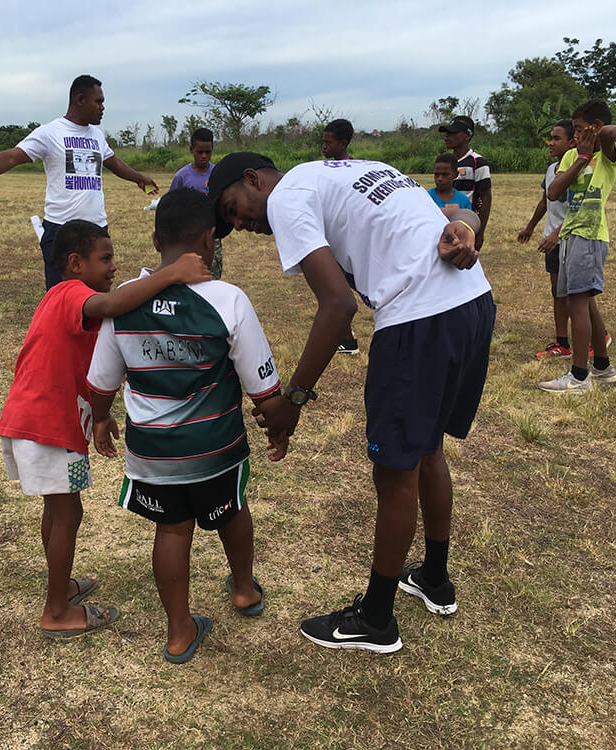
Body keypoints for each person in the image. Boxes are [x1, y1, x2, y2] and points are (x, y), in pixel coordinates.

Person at [209, 152, 493, 653]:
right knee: (427, 451)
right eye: (231, 223)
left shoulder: (288, 197)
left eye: (234, 207)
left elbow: (337, 304)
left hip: (420, 319)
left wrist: (291, 402)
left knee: (395, 472)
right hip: (472, 302)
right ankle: (434, 577)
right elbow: (448, 218)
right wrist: (468, 225)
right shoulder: (349, 171)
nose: (242, 223)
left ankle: (377, 618)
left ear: (253, 180)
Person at [87, 189, 284, 663]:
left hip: (153, 453)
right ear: (210, 238)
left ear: (155, 240)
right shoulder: (228, 299)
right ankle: (243, 591)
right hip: (217, 448)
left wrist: (99, 418)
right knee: (233, 512)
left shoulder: (121, 305)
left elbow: (101, 382)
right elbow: (264, 388)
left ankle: (179, 633)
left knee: (172, 531)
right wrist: (279, 427)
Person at [0, 219, 210, 638]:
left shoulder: (63, 297)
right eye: (106, 259)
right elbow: (112, 306)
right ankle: (56, 612)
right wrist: (171, 273)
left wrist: (101, 414)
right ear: (75, 263)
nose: (114, 267)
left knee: (59, 511)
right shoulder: (73, 294)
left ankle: (61, 586)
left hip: (38, 422)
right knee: (67, 513)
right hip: (49, 427)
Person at [0, 75, 160, 289]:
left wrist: (138, 178)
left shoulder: (97, 136)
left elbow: (114, 163)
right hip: (62, 231)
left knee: (96, 295)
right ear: (80, 100)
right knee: (60, 296)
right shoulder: (50, 133)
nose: (103, 107)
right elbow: (12, 157)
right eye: (98, 101)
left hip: (97, 229)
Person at [538, 101, 616, 393]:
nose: (576, 135)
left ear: (595, 127)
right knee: (586, 303)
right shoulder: (574, 154)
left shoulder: (611, 154)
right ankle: (602, 366)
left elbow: (610, 133)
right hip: (570, 234)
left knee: (577, 304)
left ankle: (579, 376)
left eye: (581, 129)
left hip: (591, 235)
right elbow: (554, 192)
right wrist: (581, 157)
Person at [517, 120, 588, 359]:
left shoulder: (581, 172)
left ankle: (595, 337)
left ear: (572, 142)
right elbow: (544, 201)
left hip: (571, 238)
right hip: (553, 239)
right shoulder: (551, 170)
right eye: (551, 137)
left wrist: (557, 235)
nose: (551, 142)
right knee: (558, 291)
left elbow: (580, 208)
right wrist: (530, 226)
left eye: (557, 138)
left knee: (577, 293)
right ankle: (562, 343)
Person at [320, 119, 361, 355]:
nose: (324, 146)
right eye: (323, 141)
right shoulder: (329, 167)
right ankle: (346, 339)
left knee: (339, 291)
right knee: (337, 290)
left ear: (343, 143)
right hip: (334, 238)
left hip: (347, 239)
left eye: (329, 142)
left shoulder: (349, 170)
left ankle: (346, 338)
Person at [168, 128, 223, 279]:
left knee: (212, 274)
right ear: (191, 149)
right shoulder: (182, 176)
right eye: (200, 152)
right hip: (187, 234)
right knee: (187, 274)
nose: (204, 156)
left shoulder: (218, 174)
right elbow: (171, 205)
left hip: (212, 233)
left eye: (208, 152)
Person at [440, 116, 491, 251]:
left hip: (466, 225)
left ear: (468, 136)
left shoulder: (477, 163)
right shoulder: (446, 163)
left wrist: (480, 233)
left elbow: (486, 197)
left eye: (453, 133)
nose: (447, 137)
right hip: (446, 223)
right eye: (446, 133)